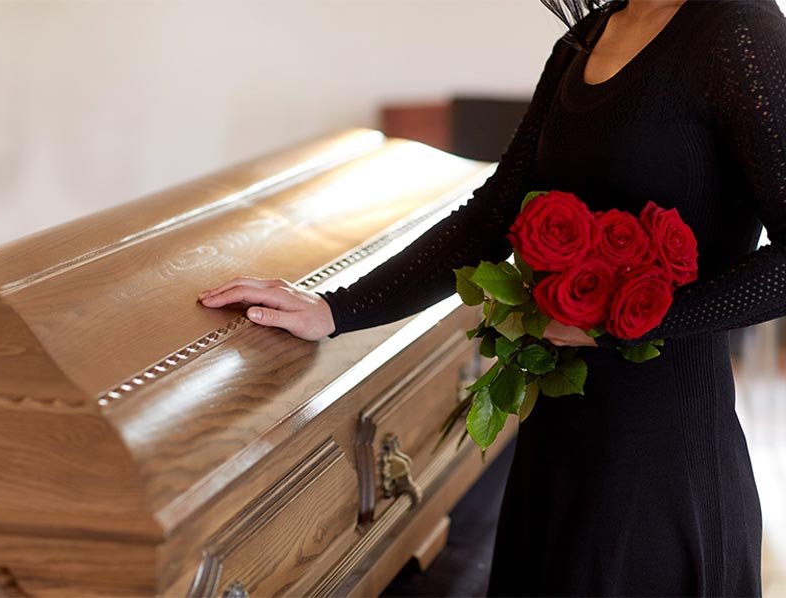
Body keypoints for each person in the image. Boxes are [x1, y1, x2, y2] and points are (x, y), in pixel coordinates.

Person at [198, 0, 786, 594]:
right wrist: (334, 309)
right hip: (557, 432)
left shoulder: (739, 30)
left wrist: (621, 324)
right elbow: (492, 214)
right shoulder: (587, 37)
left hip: (664, 447)